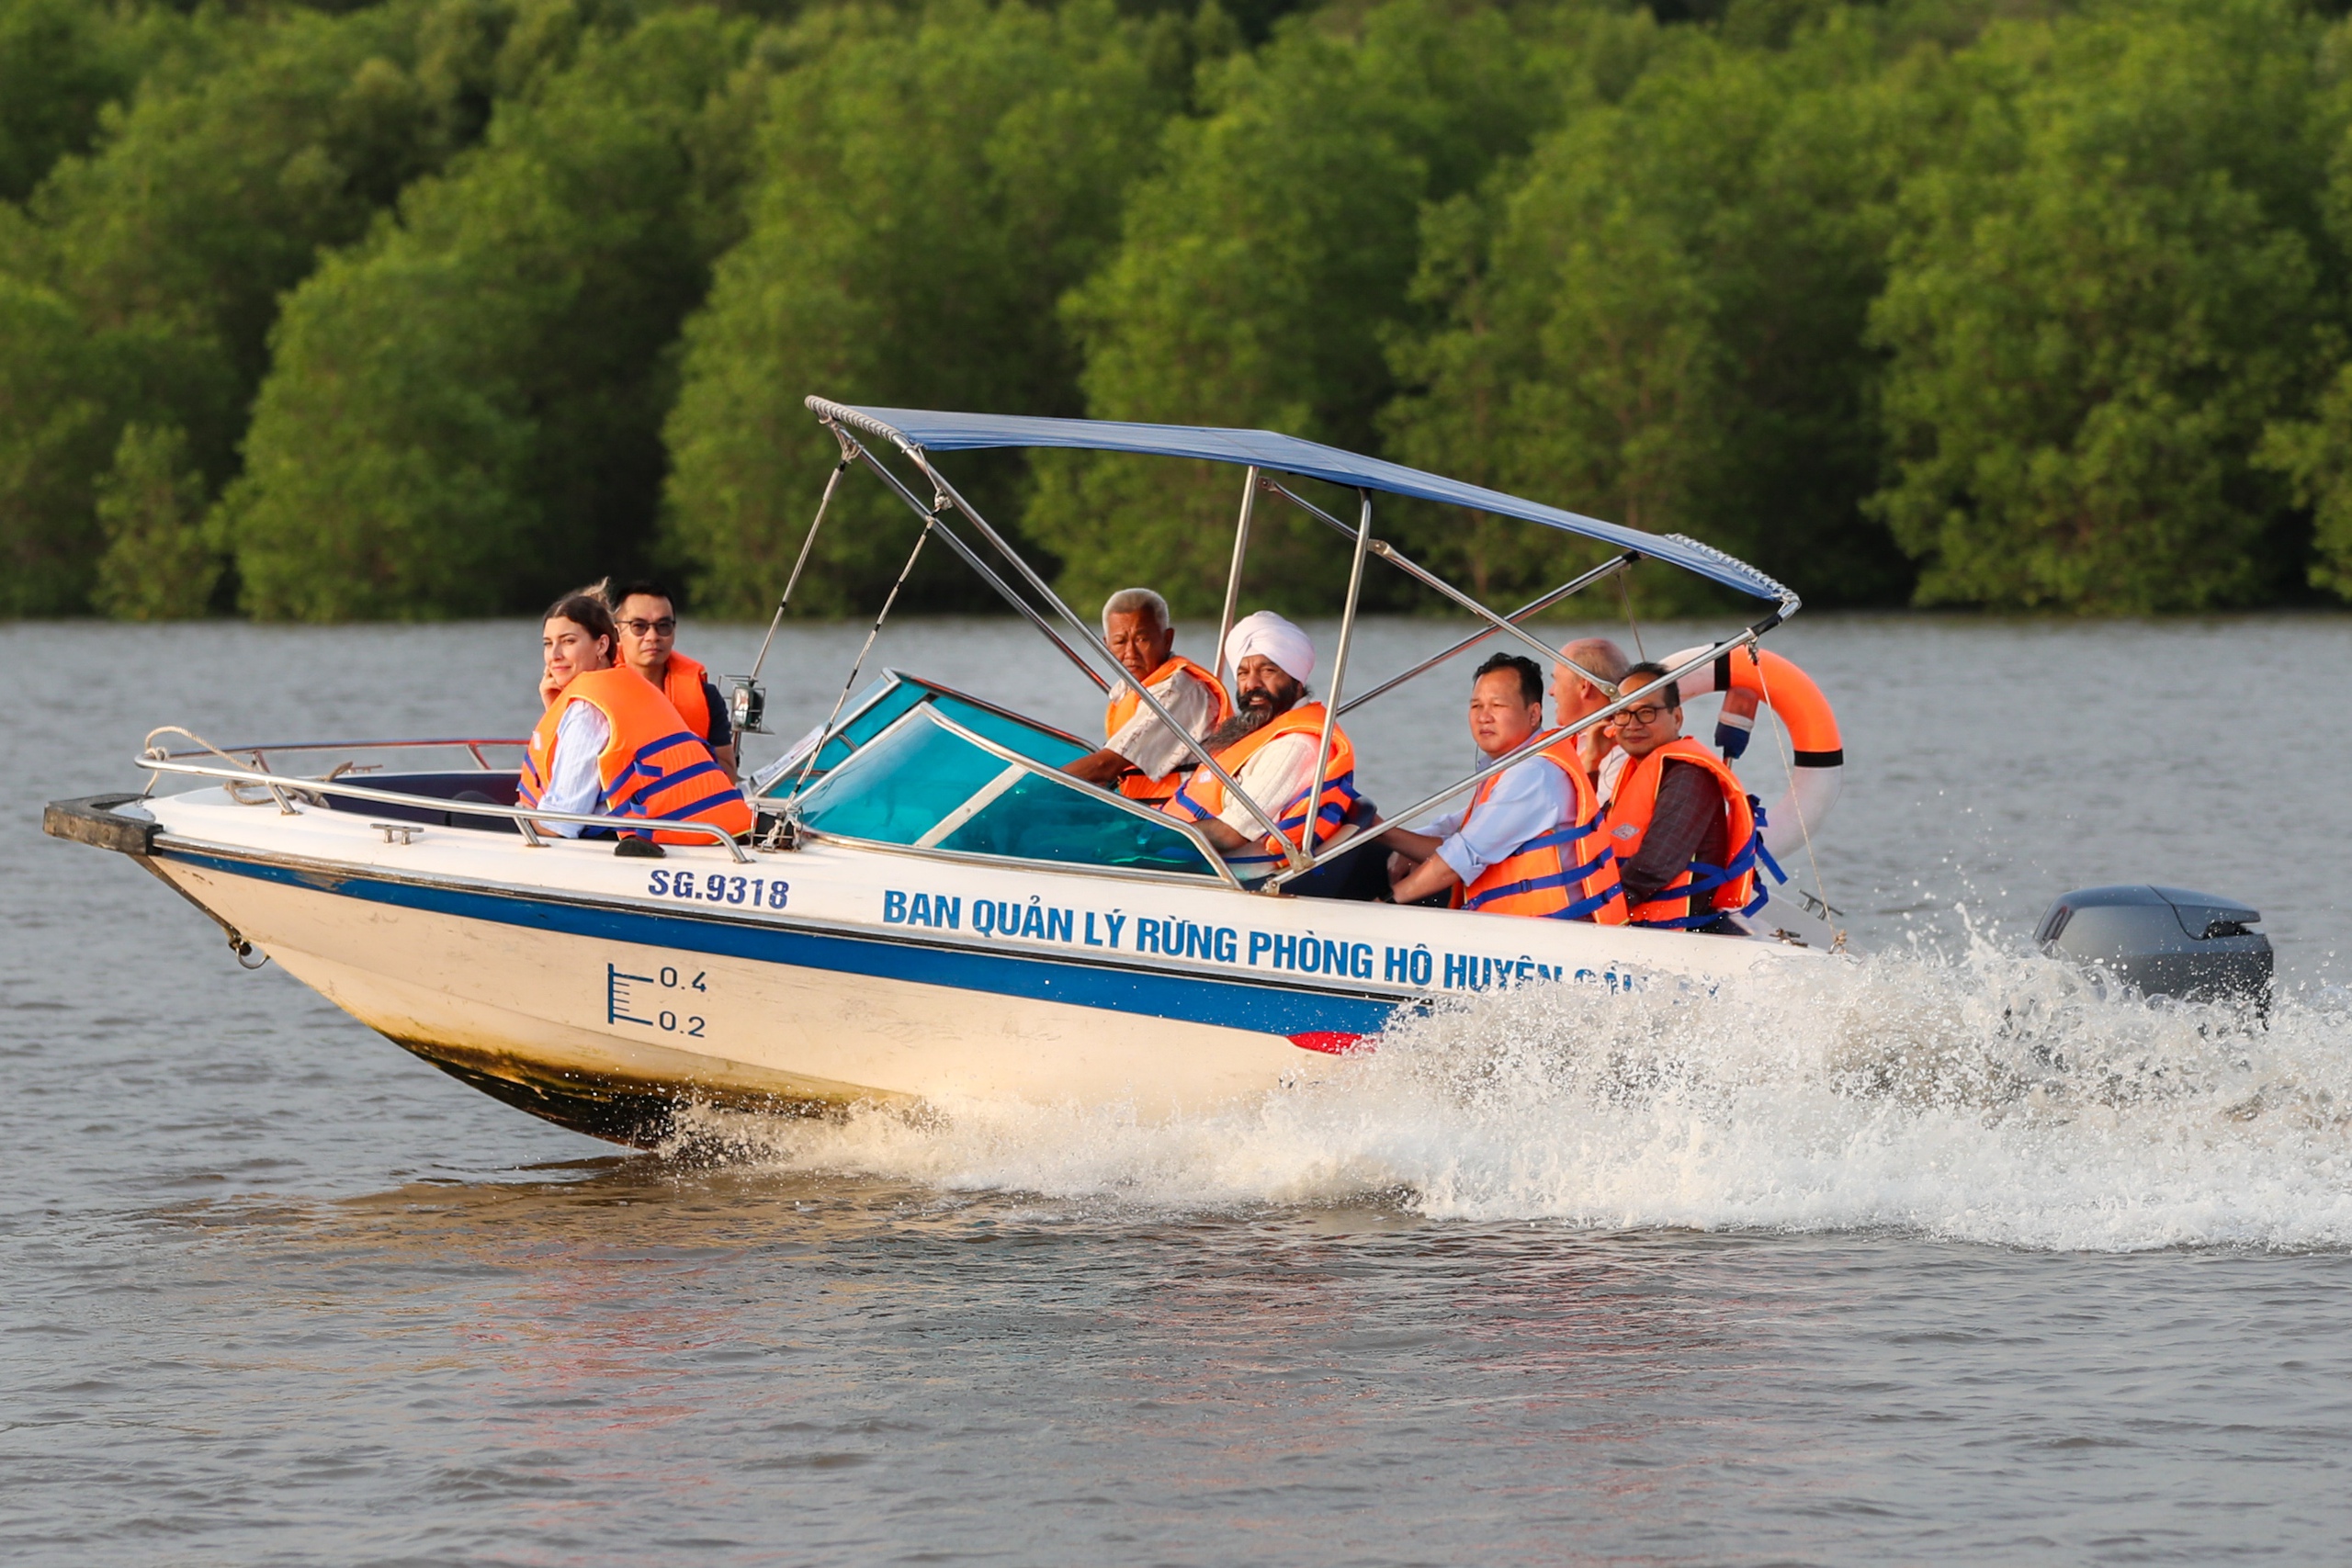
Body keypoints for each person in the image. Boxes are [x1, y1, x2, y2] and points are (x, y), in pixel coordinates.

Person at [1381, 654, 1624, 920]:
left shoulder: (1533, 773)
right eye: (1476, 706)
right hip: (1515, 929)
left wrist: (1383, 905)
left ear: (1533, 714)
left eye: (1497, 705)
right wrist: (1384, 835)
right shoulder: (1514, 765)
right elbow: (1453, 826)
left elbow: (1462, 856)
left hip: (1547, 938)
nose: (1484, 717)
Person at [518, 593, 753, 848]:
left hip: (630, 846)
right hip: (704, 838)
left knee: (470, 805)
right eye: (547, 643)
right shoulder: (633, 688)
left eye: (568, 641)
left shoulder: (588, 710)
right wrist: (556, 708)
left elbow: (561, 824)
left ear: (601, 645)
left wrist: (520, 812)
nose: (554, 654)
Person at [1159, 611, 1358, 881]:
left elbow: (1230, 834)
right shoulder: (1261, 731)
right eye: (1243, 673)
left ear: (1296, 679)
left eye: (1267, 670)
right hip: (1195, 857)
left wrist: (1146, 838)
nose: (1251, 684)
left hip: (1228, 877)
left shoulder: (1294, 746)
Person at [1598, 661, 1767, 932]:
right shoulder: (1637, 770)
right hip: (1639, 924)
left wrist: (1595, 913)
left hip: (1678, 934)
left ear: (1677, 717)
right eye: (1622, 713)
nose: (1632, 724)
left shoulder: (1688, 776)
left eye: (1646, 712)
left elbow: (1654, 867)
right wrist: (1592, 762)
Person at [1063, 588, 1232, 801]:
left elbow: (1105, 765)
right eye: (1120, 642)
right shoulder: (1128, 689)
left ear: (1167, 639)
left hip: (1182, 822)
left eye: (1142, 640)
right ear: (1107, 645)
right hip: (1143, 813)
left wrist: (1036, 784)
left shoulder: (1179, 690)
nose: (1130, 653)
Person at [608, 579, 736, 780]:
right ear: (617, 633)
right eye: (639, 626)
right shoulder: (599, 692)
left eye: (664, 626)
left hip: (686, 805)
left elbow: (728, 772)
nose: (653, 636)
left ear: (674, 631)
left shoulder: (706, 696)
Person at [1549, 637, 1630, 795]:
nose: (1551, 691)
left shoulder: (1619, 754)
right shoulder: (1568, 741)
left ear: (1584, 686)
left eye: (1556, 681)